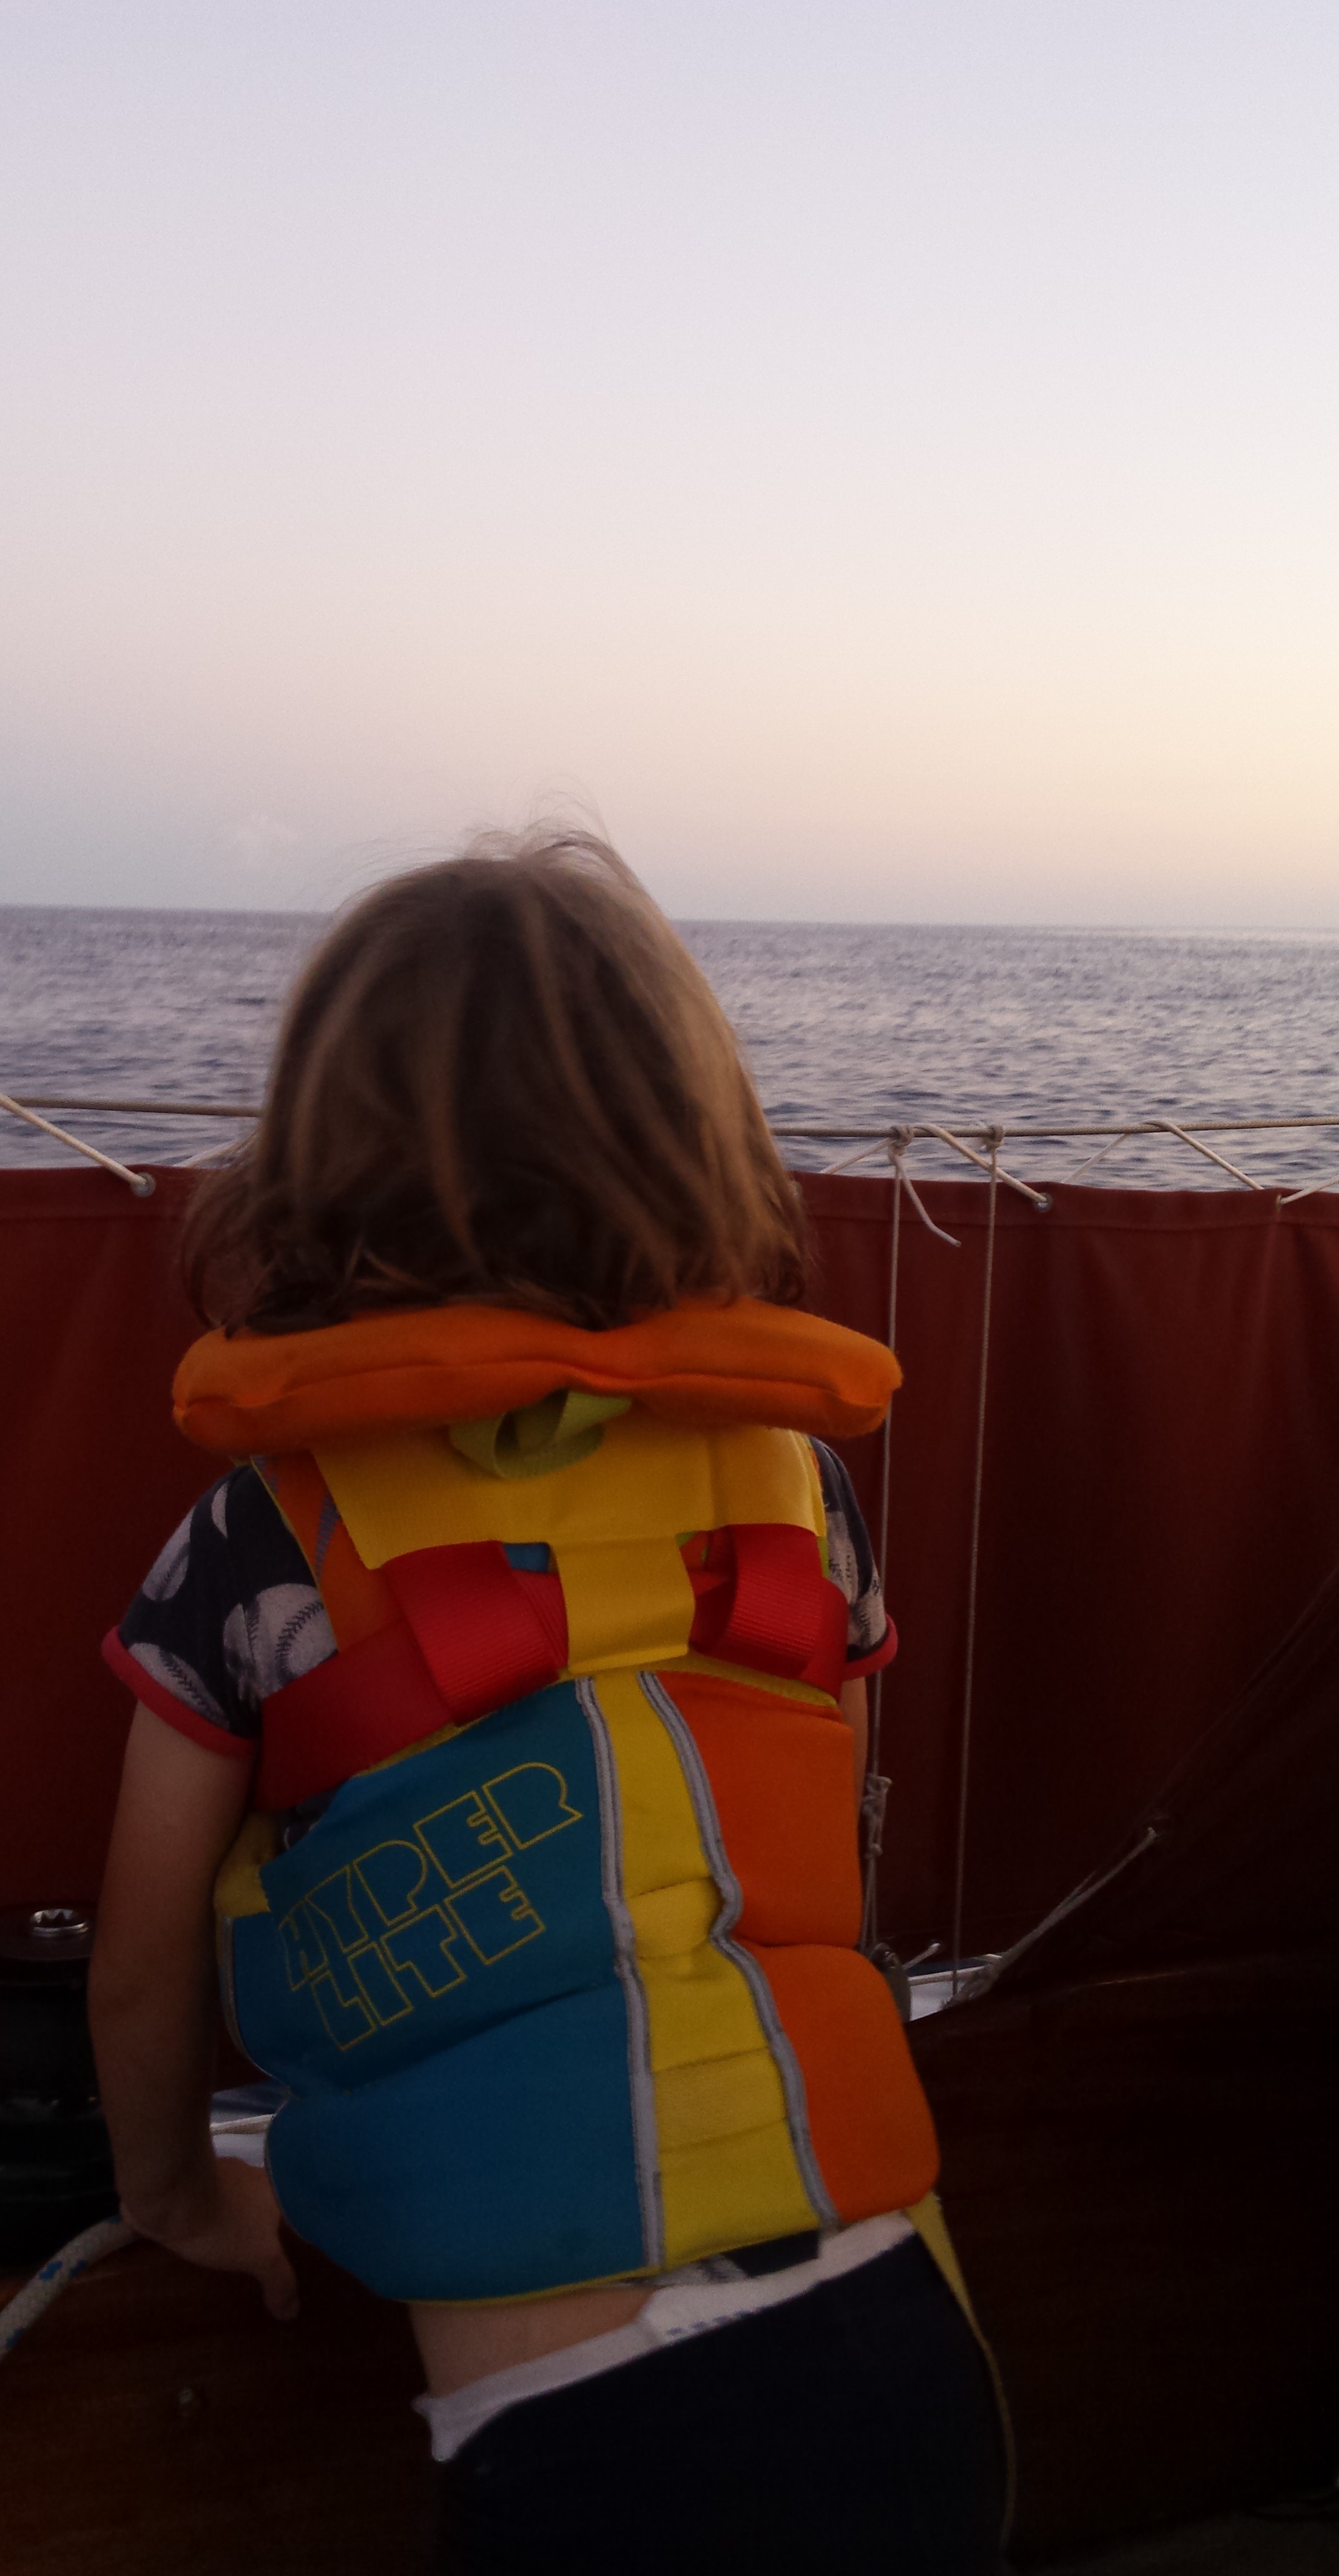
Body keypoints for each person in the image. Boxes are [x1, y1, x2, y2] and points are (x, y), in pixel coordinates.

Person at [89, 827, 1006, 2574]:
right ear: (697, 1138)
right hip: (902, 2331)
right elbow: (822, 1844)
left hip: (588, 2436)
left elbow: (140, 1959)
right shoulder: (798, 1491)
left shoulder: (262, 1538)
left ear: (312, 1165)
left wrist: (177, 2197)